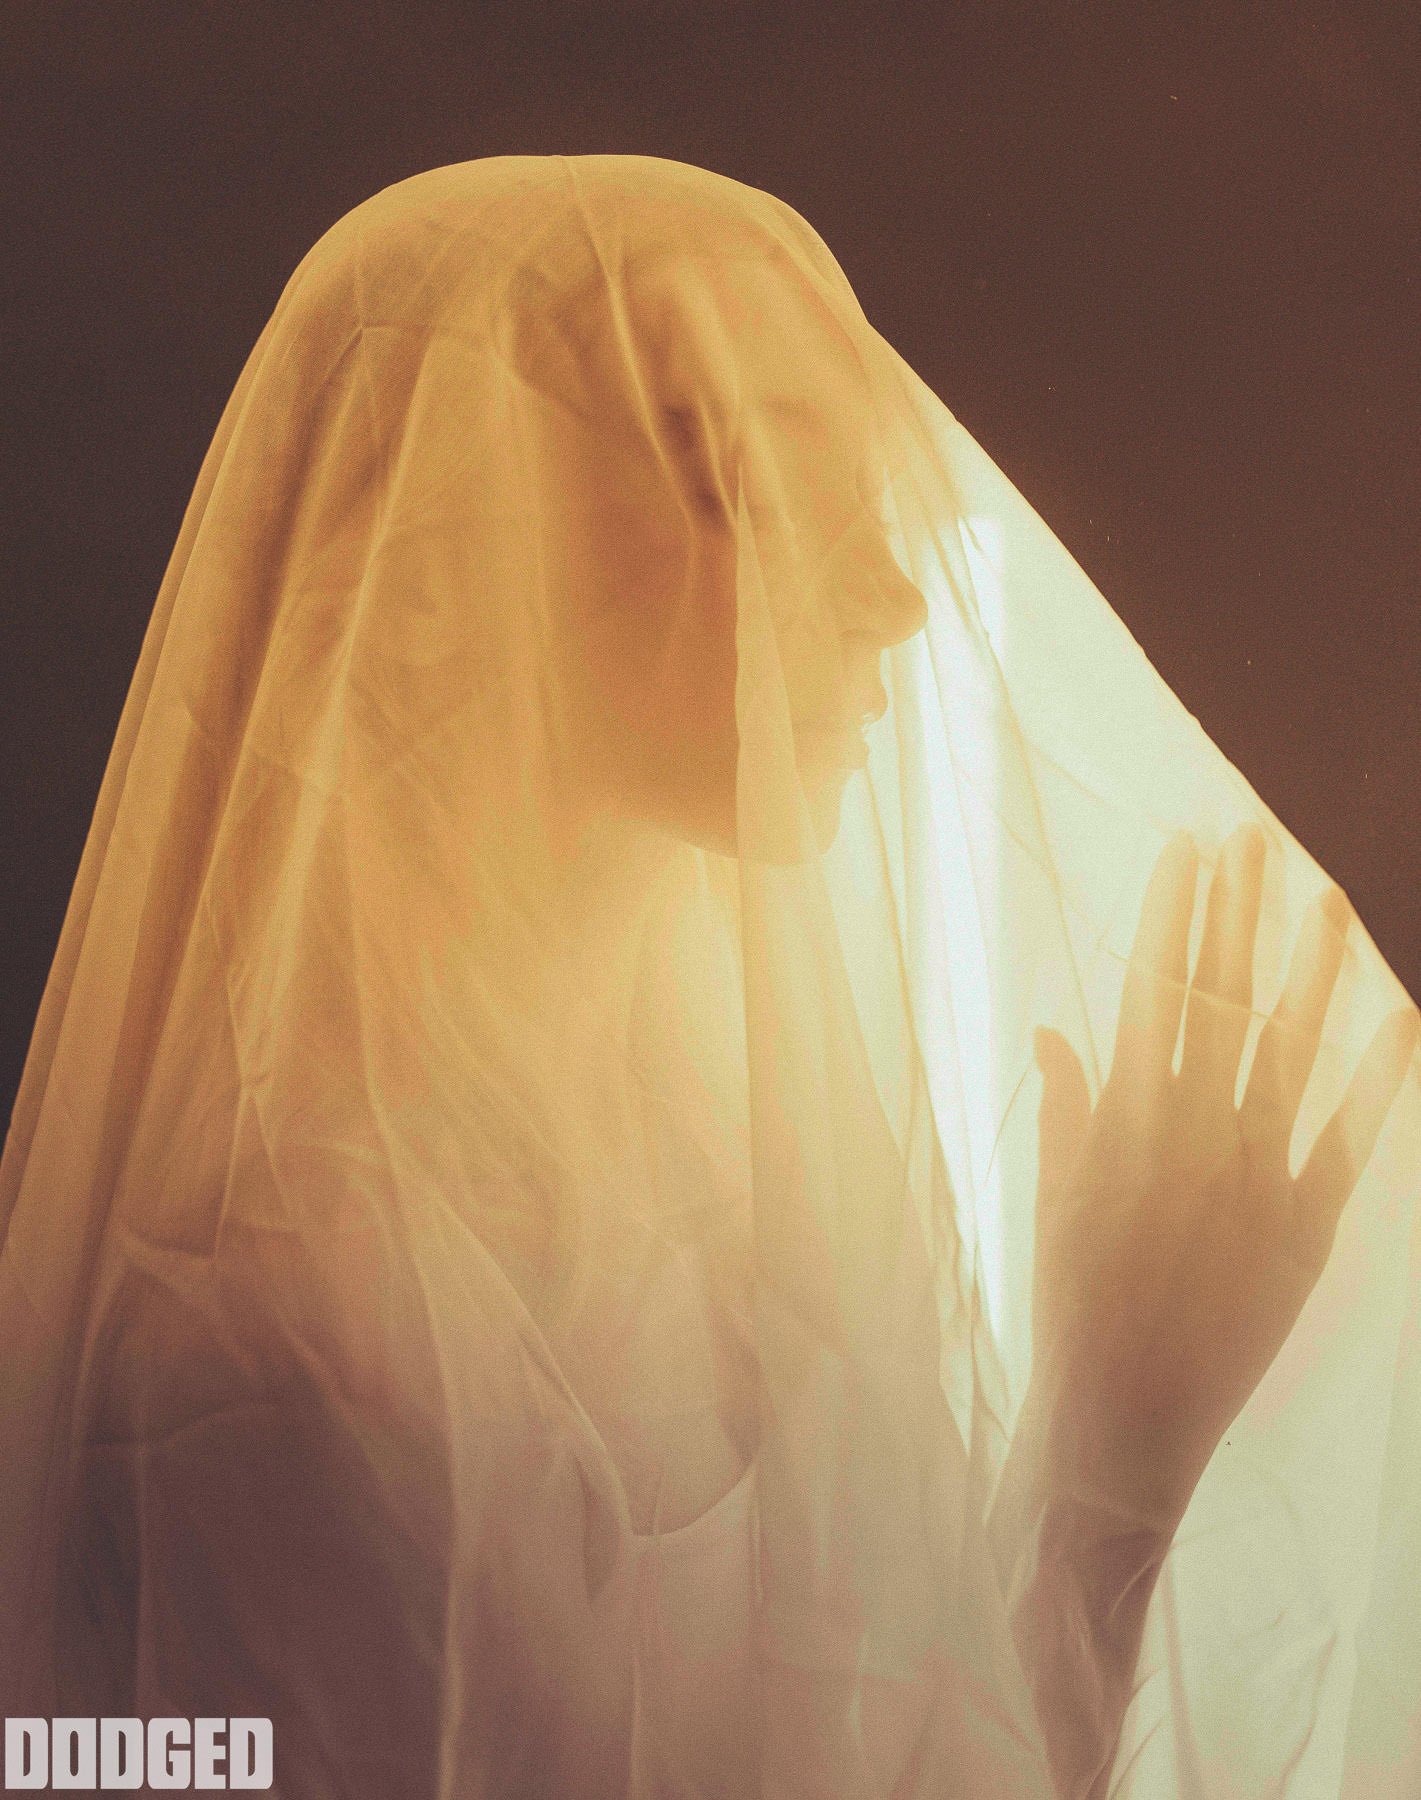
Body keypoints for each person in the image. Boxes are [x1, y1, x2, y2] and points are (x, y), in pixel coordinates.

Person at [0, 154, 1416, 1799]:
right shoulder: (289, 1357)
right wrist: (1109, 1465)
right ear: (450, 562)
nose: (890, 594)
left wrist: (1122, 1431)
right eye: (754, 480)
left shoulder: (729, 1151)